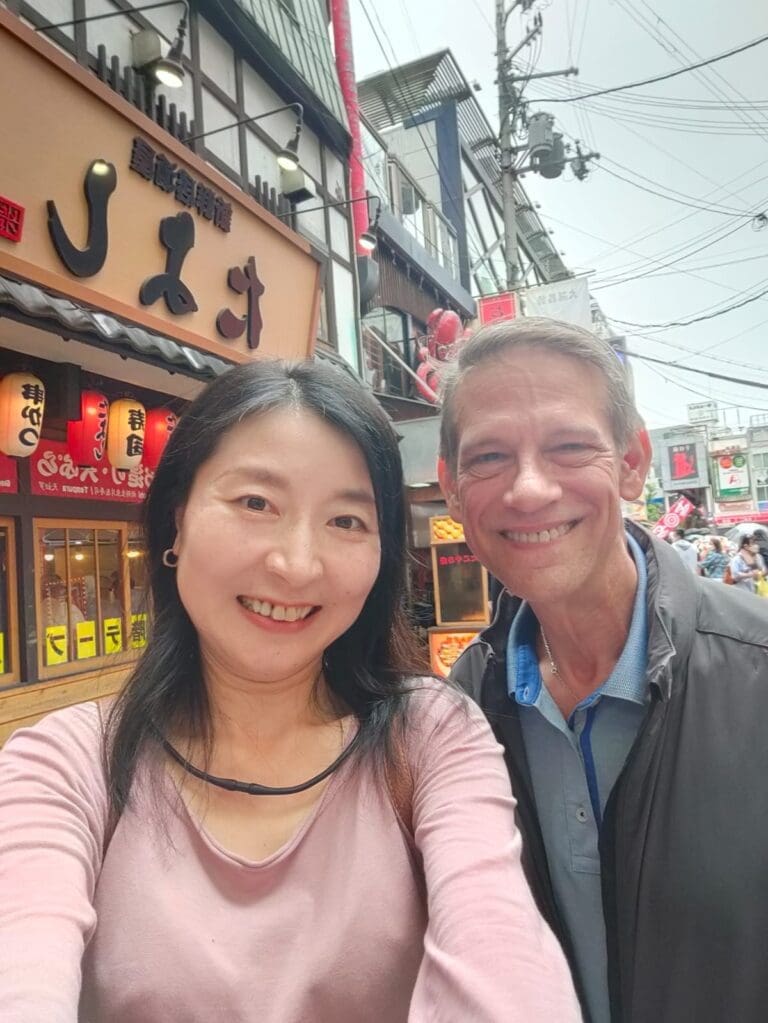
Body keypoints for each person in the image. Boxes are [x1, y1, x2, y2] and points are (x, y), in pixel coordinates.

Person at [0, 359, 578, 1023]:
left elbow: (502, 956)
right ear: (177, 521)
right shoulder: (67, 765)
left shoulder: (429, 738)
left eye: (346, 522)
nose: (296, 564)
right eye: (255, 503)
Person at [437, 317, 768, 1023]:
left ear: (631, 461)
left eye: (568, 447)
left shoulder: (755, 671)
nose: (528, 490)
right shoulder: (453, 717)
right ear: (452, 487)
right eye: (489, 456)